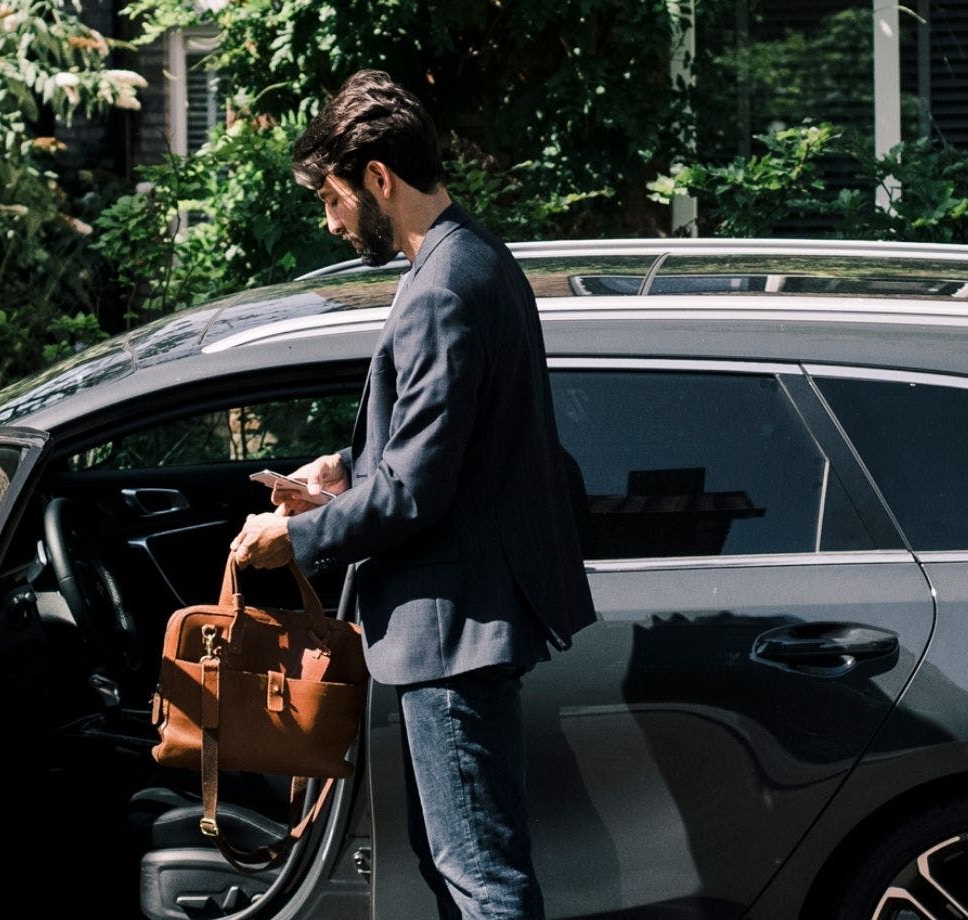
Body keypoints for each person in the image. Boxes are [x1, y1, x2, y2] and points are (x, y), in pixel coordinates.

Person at [226, 70, 597, 920]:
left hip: (452, 633)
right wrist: (342, 470)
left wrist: (295, 541)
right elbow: (452, 448)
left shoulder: (440, 286)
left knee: (483, 882)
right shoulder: (476, 257)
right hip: (459, 625)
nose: (331, 218)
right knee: (464, 872)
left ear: (378, 179)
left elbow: (419, 490)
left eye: (332, 196)